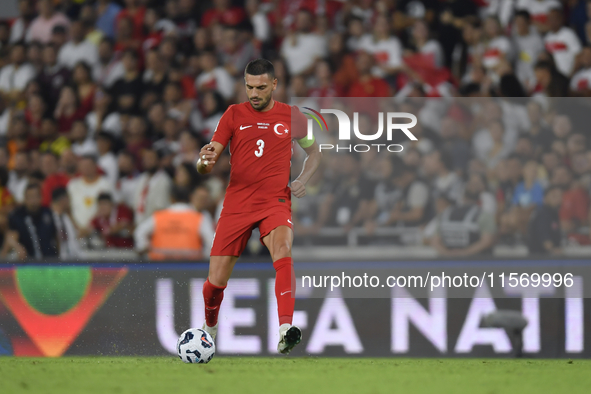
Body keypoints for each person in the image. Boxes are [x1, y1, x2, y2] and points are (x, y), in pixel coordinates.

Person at [197, 59, 321, 354]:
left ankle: (285, 328)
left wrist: (303, 178)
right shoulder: (232, 114)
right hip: (237, 203)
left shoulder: (294, 117)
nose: (254, 93)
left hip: (274, 201)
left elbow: (314, 153)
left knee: (283, 250)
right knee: (215, 281)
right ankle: (210, 328)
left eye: (261, 87)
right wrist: (204, 161)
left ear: (275, 85)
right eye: (249, 87)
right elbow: (209, 157)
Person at [134, 185, 213, 259]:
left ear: (171, 198)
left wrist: (145, 247)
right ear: (189, 198)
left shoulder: (158, 216)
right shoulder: (199, 218)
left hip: (159, 267)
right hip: (190, 267)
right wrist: (204, 257)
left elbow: (139, 232)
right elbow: (211, 243)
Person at [432, 184, 497, 257]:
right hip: (477, 263)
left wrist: (448, 254)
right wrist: (464, 253)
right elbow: (487, 241)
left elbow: (435, 241)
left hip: (449, 263)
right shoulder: (483, 215)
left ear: (462, 198)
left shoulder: (445, 214)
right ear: (480, 200)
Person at [8, 183, 59, 259]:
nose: (33, 201)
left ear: (41, 197)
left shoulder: (48, 213)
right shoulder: (18, 216)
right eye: (30, 197)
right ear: (25, 198)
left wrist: (59, 255)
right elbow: (10, 238)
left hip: (50, 260)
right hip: (29, 262)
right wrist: (17, 246)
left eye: (36, 196)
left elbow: (56, 237)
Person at [527, 186, 563, 255]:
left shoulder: (553, 213)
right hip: (540, 259)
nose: (558, 199)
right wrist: (553, 250)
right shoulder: (542, 214)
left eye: (560, 196)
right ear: (545, 198)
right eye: (554, 196)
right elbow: (544, 236)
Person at [50, 187, 81, 259]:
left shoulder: (66, 217)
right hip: (56, 259)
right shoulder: (51, 218)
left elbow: (78, 234)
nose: (70, 201)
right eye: (68, 198)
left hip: (72, 257)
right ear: (63, 200)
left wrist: (70, 215)